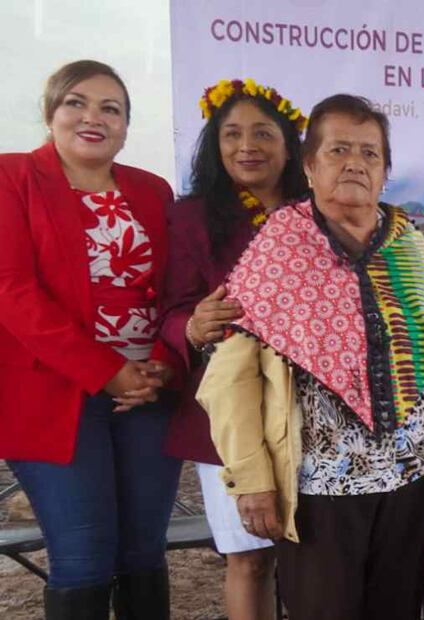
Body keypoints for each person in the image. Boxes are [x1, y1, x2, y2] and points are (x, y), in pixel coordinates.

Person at [196, 94, 424, 620]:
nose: (354, 164)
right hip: (319, 488)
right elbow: (230, 377)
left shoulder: (410, 243)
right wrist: (251, 480)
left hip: (410, 479)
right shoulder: (278, 248)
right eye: (338, 149)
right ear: (310, 165)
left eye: (369, 153)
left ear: (385, 170)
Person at [0, 60, 178, 619]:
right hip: (53, 395)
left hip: (148, 394)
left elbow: (175, 291)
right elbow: (11, 290)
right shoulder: (11, 177)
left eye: (111, 108)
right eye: (76, 102)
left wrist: (160, 364)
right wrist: (105, 370)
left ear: (126, 126)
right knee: (83, 557)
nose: (92, 117)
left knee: (145, 552)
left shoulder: (153, 192)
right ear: (51, 113)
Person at [159, 78, 309, 620]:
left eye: (263, 133)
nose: (247, 145)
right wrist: (194, 325)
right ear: (214, 144)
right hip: (230, 415)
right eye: (232, 134)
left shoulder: (319, 212)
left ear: (290, 146)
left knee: (311, 556)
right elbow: (170, 310)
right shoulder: (190, 217)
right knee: (249, 557)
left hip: (313, 412)